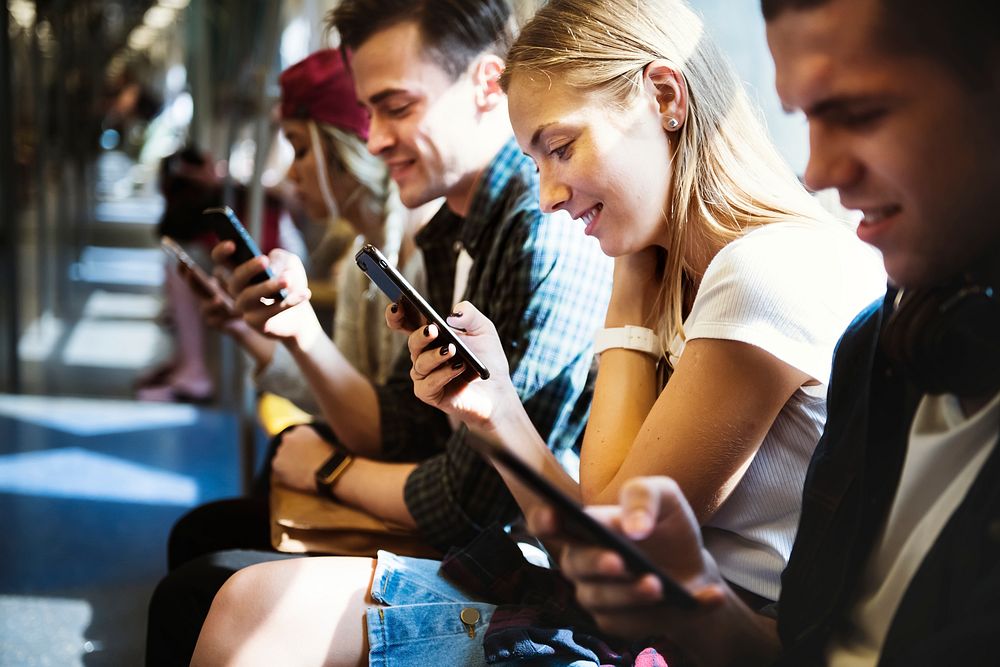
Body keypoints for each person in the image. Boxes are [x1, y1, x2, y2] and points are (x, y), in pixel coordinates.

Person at [188, 0, 889, 665]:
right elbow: (590, 528)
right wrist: (494, 411)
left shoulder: (757, 270)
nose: (551, 195)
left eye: (561, 148)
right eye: (536, 161)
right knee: (242, 606)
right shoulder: (682, 274)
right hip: (624, 615)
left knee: (247, 613)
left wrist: (629, 285)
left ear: (667, 100)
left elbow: (610, 534)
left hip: (683, 641)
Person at [521, 0, 1000, 666]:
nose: (818, 172)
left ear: (666, 96)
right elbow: (805, 650)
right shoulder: (890, 340)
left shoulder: (764, 273)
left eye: (860, 113)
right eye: (805, 117)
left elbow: (608, 515)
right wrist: (693, 599)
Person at [149, 0, 613, 664]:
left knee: (202, 586)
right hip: (483, 547)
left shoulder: (536, 235)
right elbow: (407, 422)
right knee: (203, 564)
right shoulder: (456, 231)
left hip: (517, 565)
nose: (373, 139)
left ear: (487, 86)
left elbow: (467, 501)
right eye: (369, 114)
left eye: (397, 108)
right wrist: (298, 331)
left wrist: (332, 468)